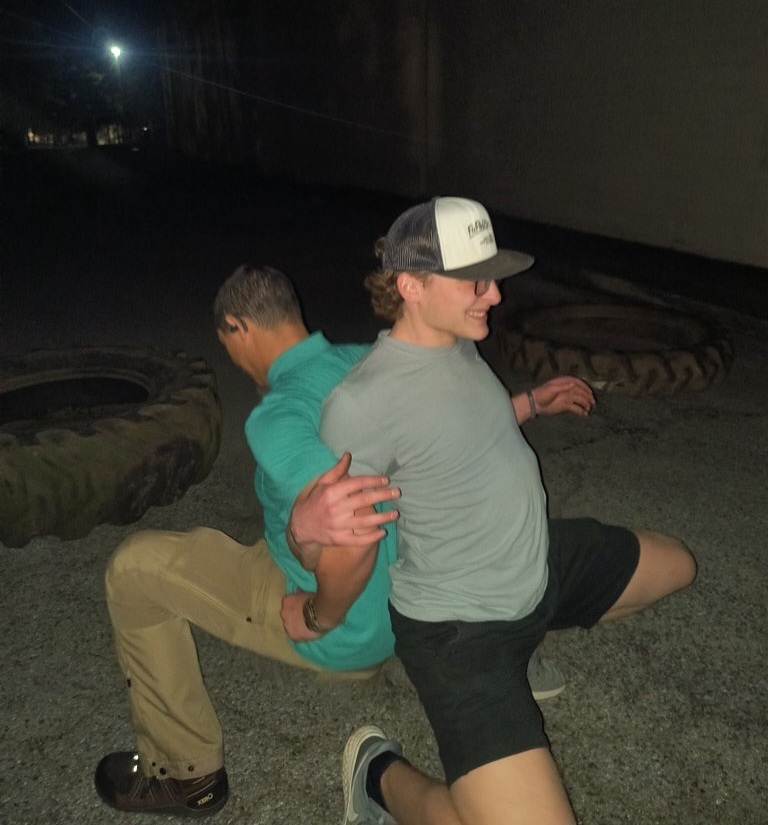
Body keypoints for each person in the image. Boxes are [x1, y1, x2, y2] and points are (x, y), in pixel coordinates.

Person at [93, 263, 581, 817]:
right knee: (230, 544)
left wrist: (318, 617)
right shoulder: (368, 360)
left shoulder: (278, 416)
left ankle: (185, 774)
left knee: (134, 569)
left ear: (236, 329)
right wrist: (529, 404)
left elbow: (352, 534)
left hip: (348, 627)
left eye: (226, 343)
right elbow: (450, 429)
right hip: (415, 604)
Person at [319, 196, 698, 825]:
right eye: (475, 282)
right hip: (461, 629)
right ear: (411, 285)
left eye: (492, 278)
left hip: (536, 565)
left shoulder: (455, 339)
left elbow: (453, 429)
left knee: (679, 566)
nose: (494, 296)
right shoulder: (360, 404)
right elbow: (343, 540)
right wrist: (316, 606)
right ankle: (379, 775)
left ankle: (527, 641)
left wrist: (529, 404)